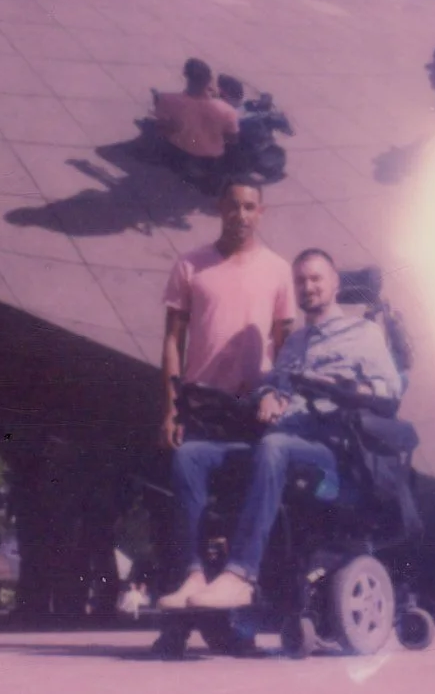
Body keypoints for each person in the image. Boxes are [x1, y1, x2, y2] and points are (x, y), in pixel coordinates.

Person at [168, 248, 404, 612]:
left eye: (316, 279)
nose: (308, 287)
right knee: (191, 456)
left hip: (333, 452)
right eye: (301, 281)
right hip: (279, 444)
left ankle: (241, 575)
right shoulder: (294, 343)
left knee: (275, 445)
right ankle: (195, 572)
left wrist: (344, 387)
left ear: (335, 283)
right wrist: (268, 396)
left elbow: (390, 392)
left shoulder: (364, 333)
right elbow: (276, 385)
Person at [156, 178, 297, 609]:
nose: (241, 215)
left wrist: (280, 397)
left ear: (262, 212)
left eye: (250, 207)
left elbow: (288, 347)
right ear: (220, 208)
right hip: (202, 405)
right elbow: (171, 341)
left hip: (254, 408)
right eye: (233, 206)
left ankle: (243, 591)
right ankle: (193, 576)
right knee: (185, 478)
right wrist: (170, 408)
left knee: (244, 498)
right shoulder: (190, 266)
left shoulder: (278, 269)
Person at [151, 58, 241, 188]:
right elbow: (233, 140)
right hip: (210, 157)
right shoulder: (227, 111)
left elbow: (160, 127)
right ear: (210, 80)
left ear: (185, 75)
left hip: (180, 150)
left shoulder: (167, 99)